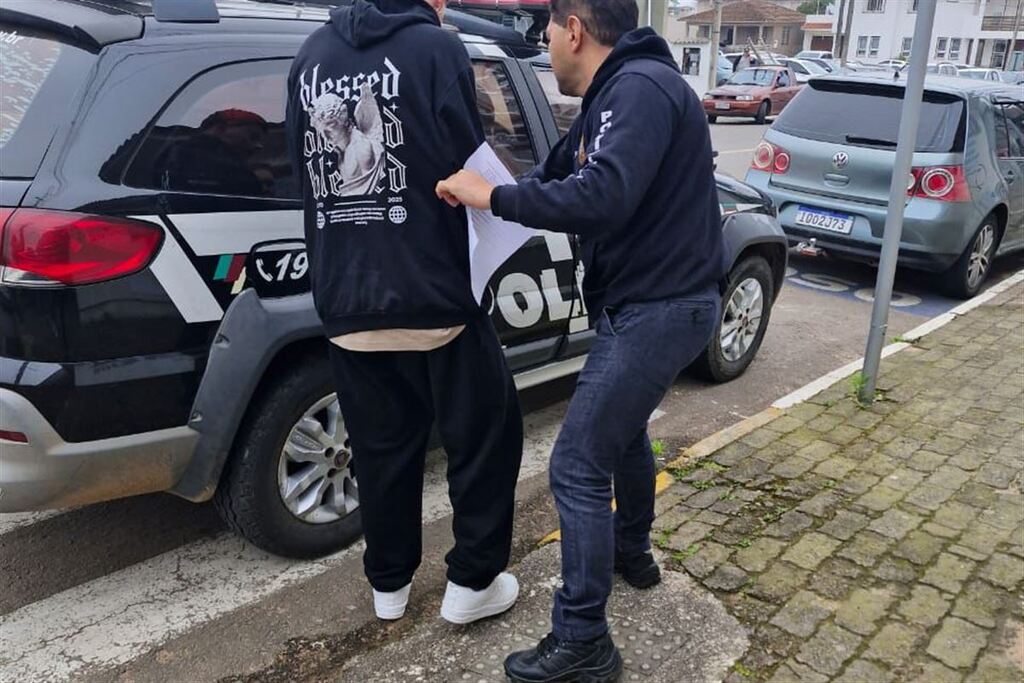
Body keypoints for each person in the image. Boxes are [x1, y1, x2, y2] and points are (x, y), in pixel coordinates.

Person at [435, 0, 726, 679]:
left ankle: (584, 638)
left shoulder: (641, 89)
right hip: (648, 303)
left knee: (574, 463)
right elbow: (555, 176)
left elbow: (604, 195)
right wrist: (483, 194)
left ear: (575, 29)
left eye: (547, 32)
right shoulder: (610, 98)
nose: (545, 48)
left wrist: (493, 200)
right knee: (620, 433)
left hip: (662, 306)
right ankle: (633, 553)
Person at [286, 0, 523, 625]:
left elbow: (300, 170)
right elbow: (465, 163)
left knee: (381, 447)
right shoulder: (437, 49)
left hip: (345, 299)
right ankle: (471, 584)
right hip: (435, 292)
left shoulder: (309, 57)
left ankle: (388, 588)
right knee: (486, 435)